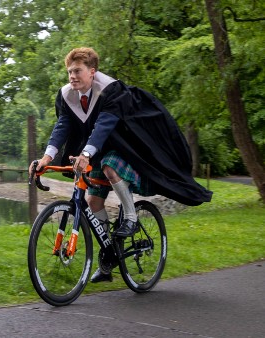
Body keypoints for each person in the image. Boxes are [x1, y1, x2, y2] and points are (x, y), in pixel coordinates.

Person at [29, 47, 212, 283]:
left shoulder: (110, 90)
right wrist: (47, 157)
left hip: (123, 147)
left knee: (110, 166)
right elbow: (63, 125)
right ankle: (108, 259)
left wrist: (85, 152)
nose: (72, 76)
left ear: (92, 72)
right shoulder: (68, 95)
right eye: (69, 72)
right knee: (93, 202)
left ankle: (131, 217)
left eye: (77, 71)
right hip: (95, 150)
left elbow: (104, 125)